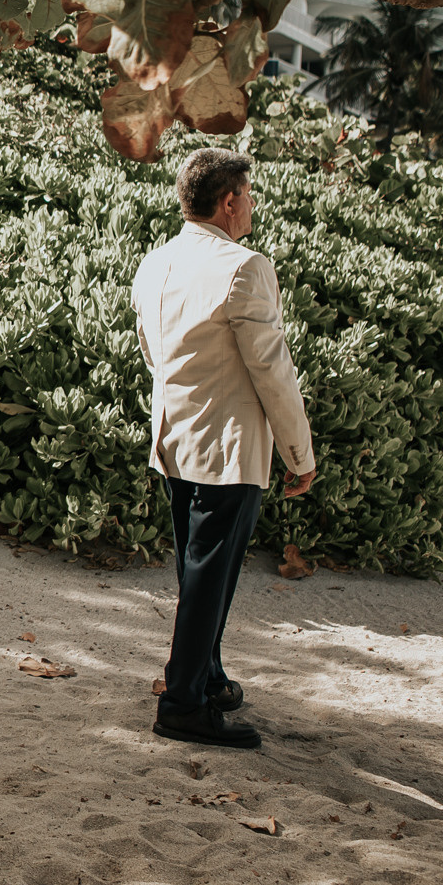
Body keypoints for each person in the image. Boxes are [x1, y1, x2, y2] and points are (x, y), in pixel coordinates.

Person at [132, 147, 315, 750]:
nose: (253, 206)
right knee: (210, 577)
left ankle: (205, 678)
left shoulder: (154, 263)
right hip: (227, 447)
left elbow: (155, 355)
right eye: (250, 195)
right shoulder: (245, 267)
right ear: (230, 201)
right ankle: (183, 703)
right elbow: (273, 371)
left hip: (174, 438)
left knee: (196, 571)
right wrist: (299, 453)